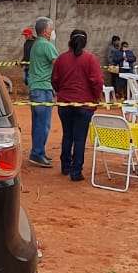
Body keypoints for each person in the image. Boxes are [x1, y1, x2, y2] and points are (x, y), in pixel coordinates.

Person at [53, 28, 104, 181]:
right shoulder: (90, 59)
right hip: (84, 105)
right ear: (85, 42)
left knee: (67, 135)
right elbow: (97, 81)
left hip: (65, 103)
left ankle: (65, 166)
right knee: (80, 138)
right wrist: (96, 97)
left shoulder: (61, 59)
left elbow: (54, 80)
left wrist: (62, 91)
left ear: (70, 41)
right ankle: (76, 172)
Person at [25, 17, 59, 167]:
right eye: (51, 29)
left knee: (38, 123)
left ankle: (39, 151)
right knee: (43, 124)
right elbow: (58, 65)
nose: (52, 32)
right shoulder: (47, 45)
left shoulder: (36, 44)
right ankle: (37, 154)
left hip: (35, 88)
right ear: (45, 31)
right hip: (43, 88)